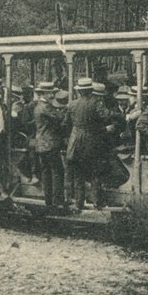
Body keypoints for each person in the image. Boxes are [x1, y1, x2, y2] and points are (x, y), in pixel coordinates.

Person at [67, 80, 116, 211]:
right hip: (91, 142)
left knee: (79, 175)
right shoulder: (96, 103)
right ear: (91, 90)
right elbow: (106, 116)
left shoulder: (72, 104)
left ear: (79, 91)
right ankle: (96, 202)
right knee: (95, 173)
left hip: (75, 143)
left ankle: (78, 204)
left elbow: (66, 123)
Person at [36, 89, 71, 210]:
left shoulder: (39, 106)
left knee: (46, 172)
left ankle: (48, 200)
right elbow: (59, 118)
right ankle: (58, 201)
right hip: (50, 144)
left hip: (41, 144)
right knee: (57, 171)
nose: (51, 95)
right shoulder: (46, 107)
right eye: (49, 93)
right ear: (43, 94)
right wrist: (67, 109)